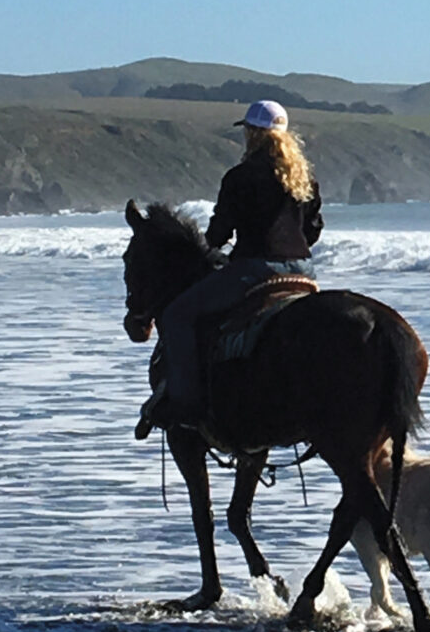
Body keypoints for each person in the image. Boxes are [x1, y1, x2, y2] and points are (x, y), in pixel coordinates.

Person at [137, 100, 323, 435]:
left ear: (252, 133)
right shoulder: (303, 177)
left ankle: (185, 403)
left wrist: (213, 249)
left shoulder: (240, 176)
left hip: (255, 270)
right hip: (302, 273)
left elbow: (219, 233)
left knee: (177, 315)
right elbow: (313, 229)